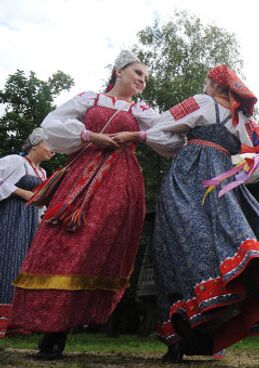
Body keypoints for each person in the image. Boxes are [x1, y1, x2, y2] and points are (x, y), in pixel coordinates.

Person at [10, 50, 168, 360]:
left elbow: (168, 132)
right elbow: (53, 124)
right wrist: (89, 135)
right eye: (138, 73)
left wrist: (135, 132)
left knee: (93, 246)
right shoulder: (89, 99)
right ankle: (52, 331)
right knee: (63, 242)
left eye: (146, 78)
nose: (142, 80)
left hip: (120, 182)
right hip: (81, 175)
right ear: (118, 71)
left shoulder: (142, 110)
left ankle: (68, 325)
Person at [151, 65, 259, 361]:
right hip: (224, 182)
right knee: (220, 247)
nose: (204, 87)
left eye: (206, 83)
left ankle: (179, 336)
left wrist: (181, 147)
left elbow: (158, 130)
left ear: (215, 85)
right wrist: (227, 164)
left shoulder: (201, 103)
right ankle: (208, 329)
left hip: (188, 177)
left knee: (175, 246)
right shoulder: (245, 121)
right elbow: (255, 166)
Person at [0, 128, 53, 338]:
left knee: (24, 265)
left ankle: (16, 320)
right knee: (7, 260)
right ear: (36, 143)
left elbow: (40, 201)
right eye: (49, 146)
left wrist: (42, 219)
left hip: (30, 220)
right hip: (10, 217)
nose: (53, 151)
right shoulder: (16, 161)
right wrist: (23, 192)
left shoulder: (42, 173)